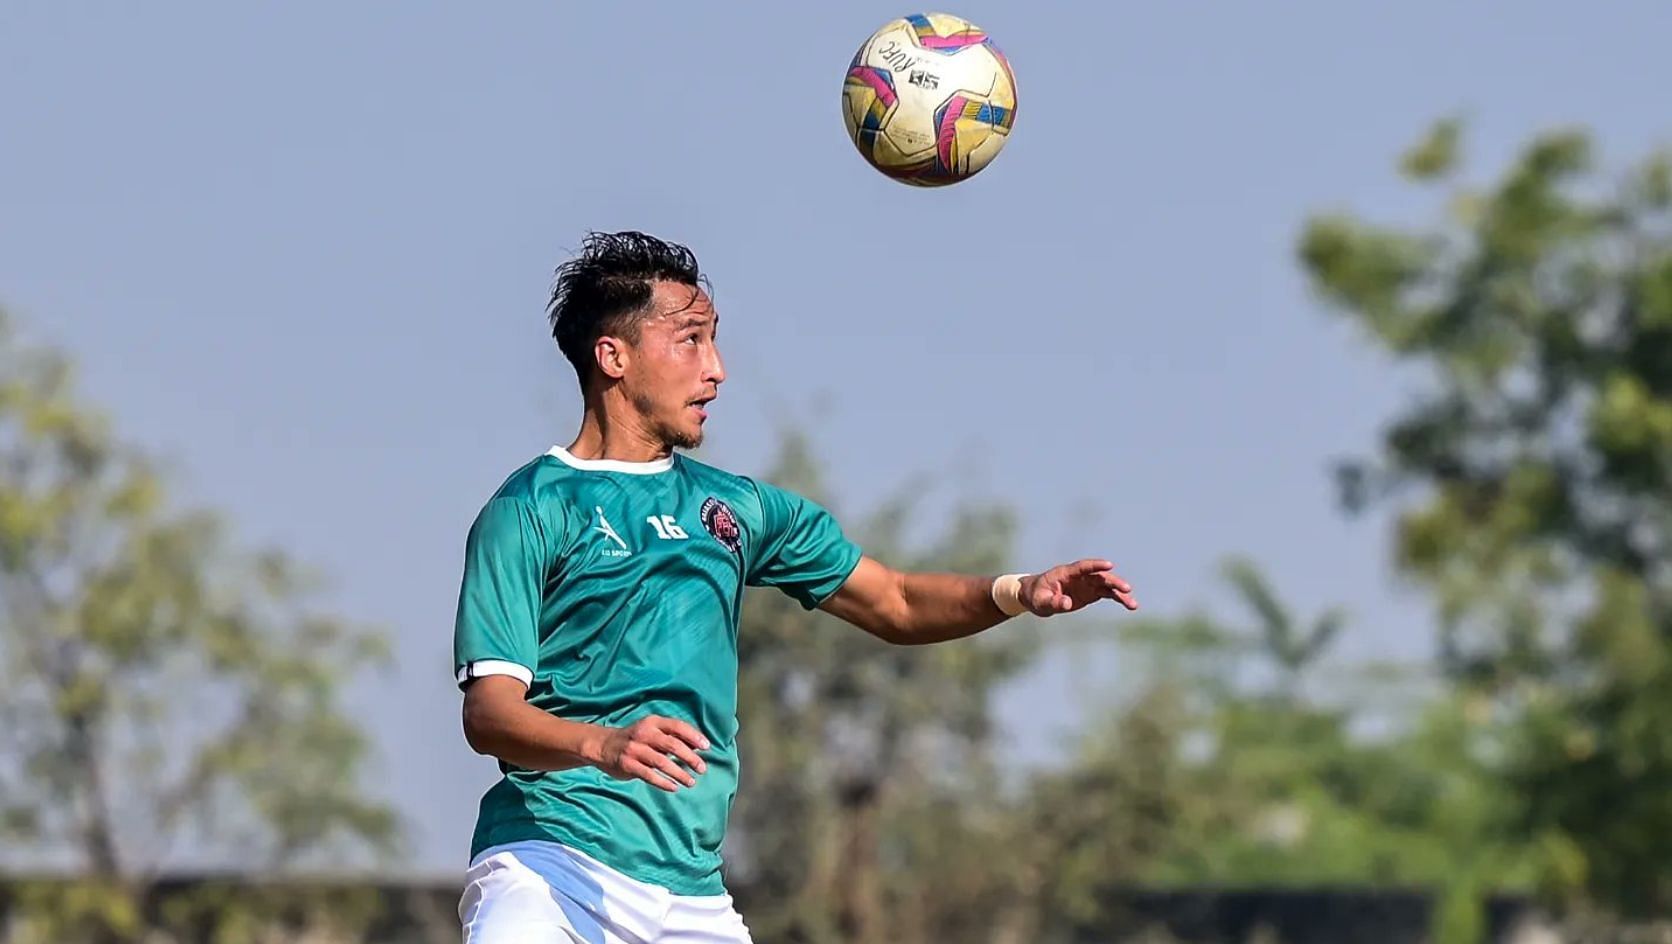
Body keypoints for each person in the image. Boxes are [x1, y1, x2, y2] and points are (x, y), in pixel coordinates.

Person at [452, 230, 1138, 943]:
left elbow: (895, 601)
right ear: (613, 356)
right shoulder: (531, 508)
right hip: (548, 868)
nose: (716, 370)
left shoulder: (736, 510)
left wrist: (1018, 591)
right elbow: (489, 716)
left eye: (715, 341)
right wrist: (603, 746)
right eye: (690, 341)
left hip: (689, 895)